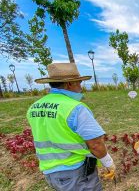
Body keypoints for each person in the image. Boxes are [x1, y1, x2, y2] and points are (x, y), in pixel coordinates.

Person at [27, 63, 116, 191]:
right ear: (70, 83)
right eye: (79, 82)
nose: (81, 86)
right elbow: (96, 144)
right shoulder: (75, 108)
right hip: (75, 172)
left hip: (50, 172)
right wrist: (109, 163)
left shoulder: (34, 107)